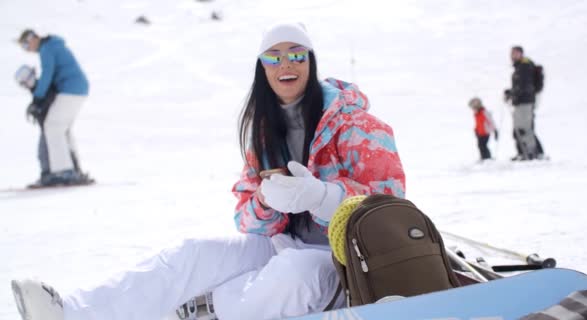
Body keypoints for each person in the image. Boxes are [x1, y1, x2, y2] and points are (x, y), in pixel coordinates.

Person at [11, 22, 406, 320]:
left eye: (296, 54)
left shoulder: (356, 125)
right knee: (192, 255)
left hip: (344, 261)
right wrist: (266, 201)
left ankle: (209, 307)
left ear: (311, 60)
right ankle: (72, 313)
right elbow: (246, 219)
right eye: (274, 56)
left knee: (291, 274)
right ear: (262, 68)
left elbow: (391, 205)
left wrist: (323, 197)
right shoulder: (266, 132)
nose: (285, 64)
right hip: (286, 244)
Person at [17, 29, 91, 186]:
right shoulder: (52, 46)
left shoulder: (47, 49)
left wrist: (37, 98)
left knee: (53, 127)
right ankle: (73, 168)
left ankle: (63, 171)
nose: (27, 49)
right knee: (62, 128)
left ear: (32, 38)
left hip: (70, 89)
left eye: (25, 45)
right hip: (78, 89)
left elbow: (47, 75)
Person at [14, 65, 86, 187]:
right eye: (22, 84)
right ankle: (70, 170)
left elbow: (51, 101)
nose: (25, 85)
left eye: (25, 82)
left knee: (47, 149)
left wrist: (38, 108)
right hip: (52, 125)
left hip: (54, 125)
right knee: (57, 147)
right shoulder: (38, 89)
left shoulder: (43, 87)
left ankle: (52, 174)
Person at [503, 46, 544, 161]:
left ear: (521, 54)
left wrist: (511, 93)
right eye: (512, 54)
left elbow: (524, 85)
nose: (513, 56)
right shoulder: (520, 67)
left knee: (524, 128)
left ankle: (531, 153)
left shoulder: (525, 66)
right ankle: (525, 152)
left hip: (525, 101)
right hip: (520, 101)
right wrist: (511, 93)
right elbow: (519, 86)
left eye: (515, 53)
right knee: (519, 128)